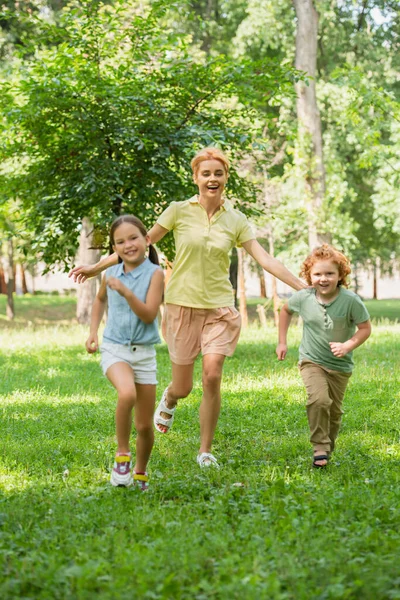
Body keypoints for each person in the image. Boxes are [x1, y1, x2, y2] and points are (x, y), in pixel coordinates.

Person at [71, 147, 305, 469]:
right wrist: (97, 267)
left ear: (225, 179)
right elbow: (140, 243)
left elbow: (264, 259)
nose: (212, 179)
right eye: (206, 173)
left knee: (212, 375)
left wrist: (302, 287)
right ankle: (170, 398)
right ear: (196, 178)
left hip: (219, 309)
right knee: (184, 386)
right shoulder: (178, 211)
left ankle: (205, 450)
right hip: (181, 306)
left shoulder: (236, 220)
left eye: (218, 174)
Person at [85, 215, 164, 489]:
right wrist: (93, 332)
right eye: (120, 242)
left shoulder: (156, 274)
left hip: (144, 354)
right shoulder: (110, 274)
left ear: (147, 239)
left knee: (144, 426)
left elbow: (149, 314)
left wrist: (128, 293)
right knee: (126, 393)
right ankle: (122, 456)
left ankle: (140, 473)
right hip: (114, 348)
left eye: (133, 238)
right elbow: (98, 301)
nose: (128, 245)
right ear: (114, 248)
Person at [276, 244, 371, 468]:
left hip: (340, 365)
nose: (323, 278)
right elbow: (285, 310)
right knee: (319, 400)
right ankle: (319, 446)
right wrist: (282, 341)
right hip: (312, 360)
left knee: (335, 412)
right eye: (317, 274)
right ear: (309, 276)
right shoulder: (303, 297)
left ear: (340, 276)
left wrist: (347, 345)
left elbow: (365, 329)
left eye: (330, 273)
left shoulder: (351, 301)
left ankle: (327, 448)